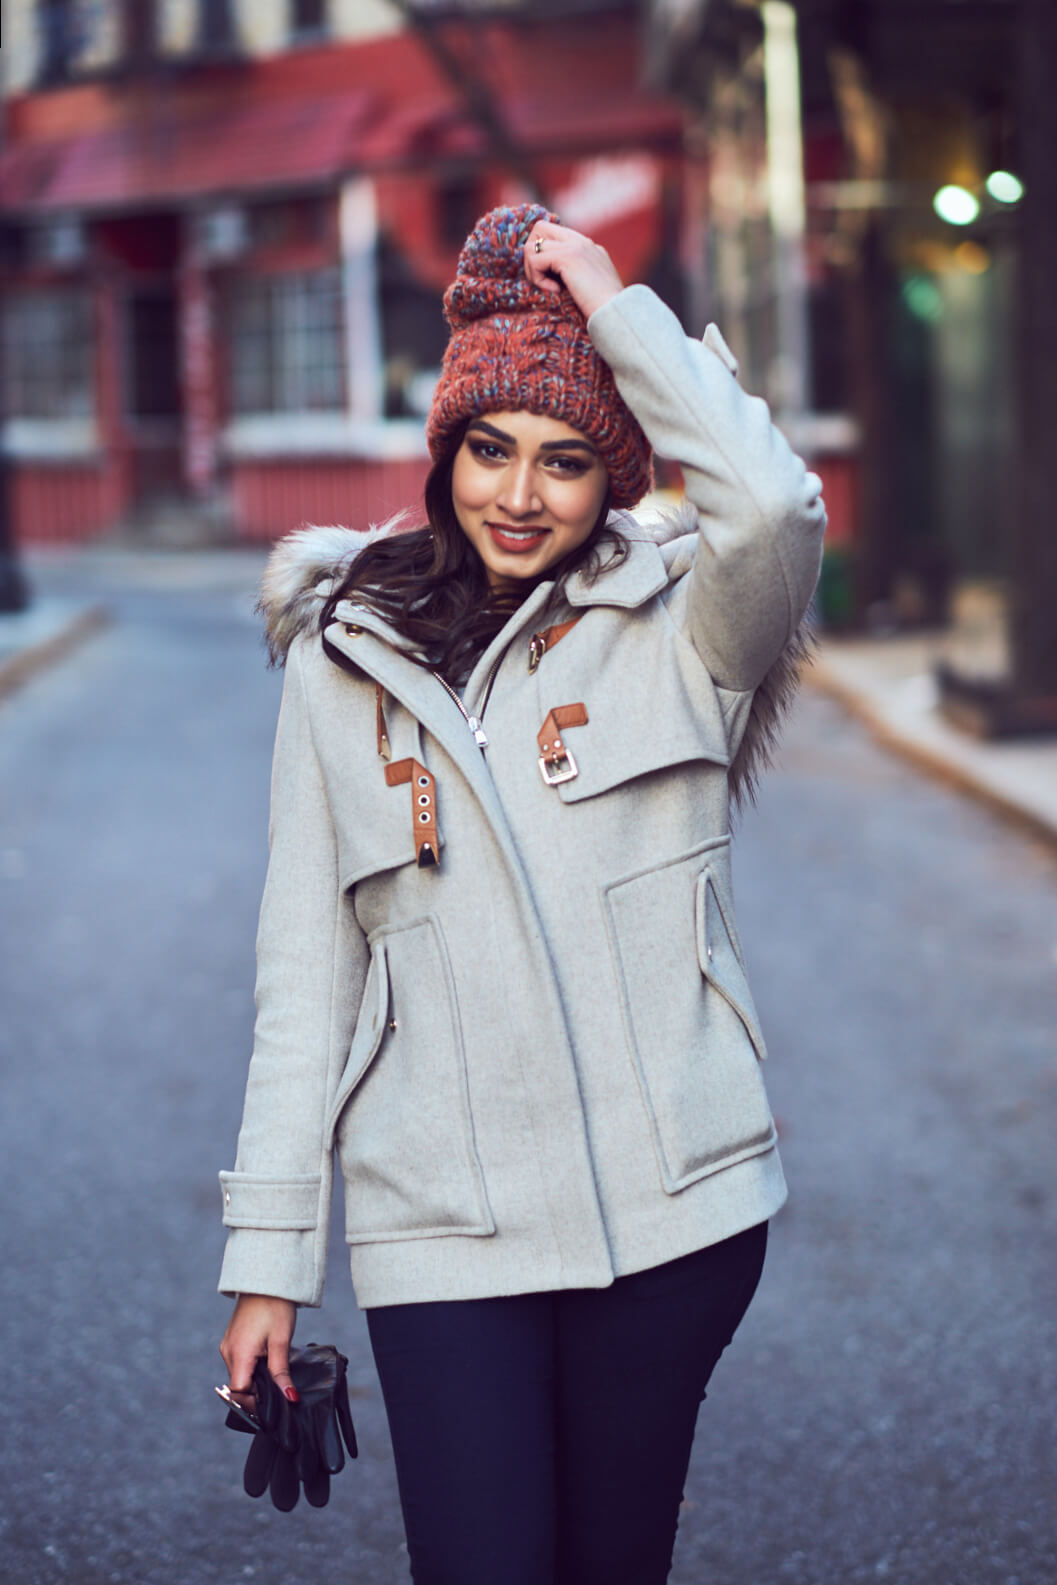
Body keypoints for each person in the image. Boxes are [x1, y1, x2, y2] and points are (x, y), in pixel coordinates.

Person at [218, 203, 825, 1584]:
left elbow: (777, 503)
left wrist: (620, 314)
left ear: (609, 482)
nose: (517, 493)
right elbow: (305, 973)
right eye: (488, 449)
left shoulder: (682, 628)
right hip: (441, 1225)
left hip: (668, 1216)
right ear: (445, 453)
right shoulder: (344, 655)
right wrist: (268, 1258)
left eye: (564, 462)